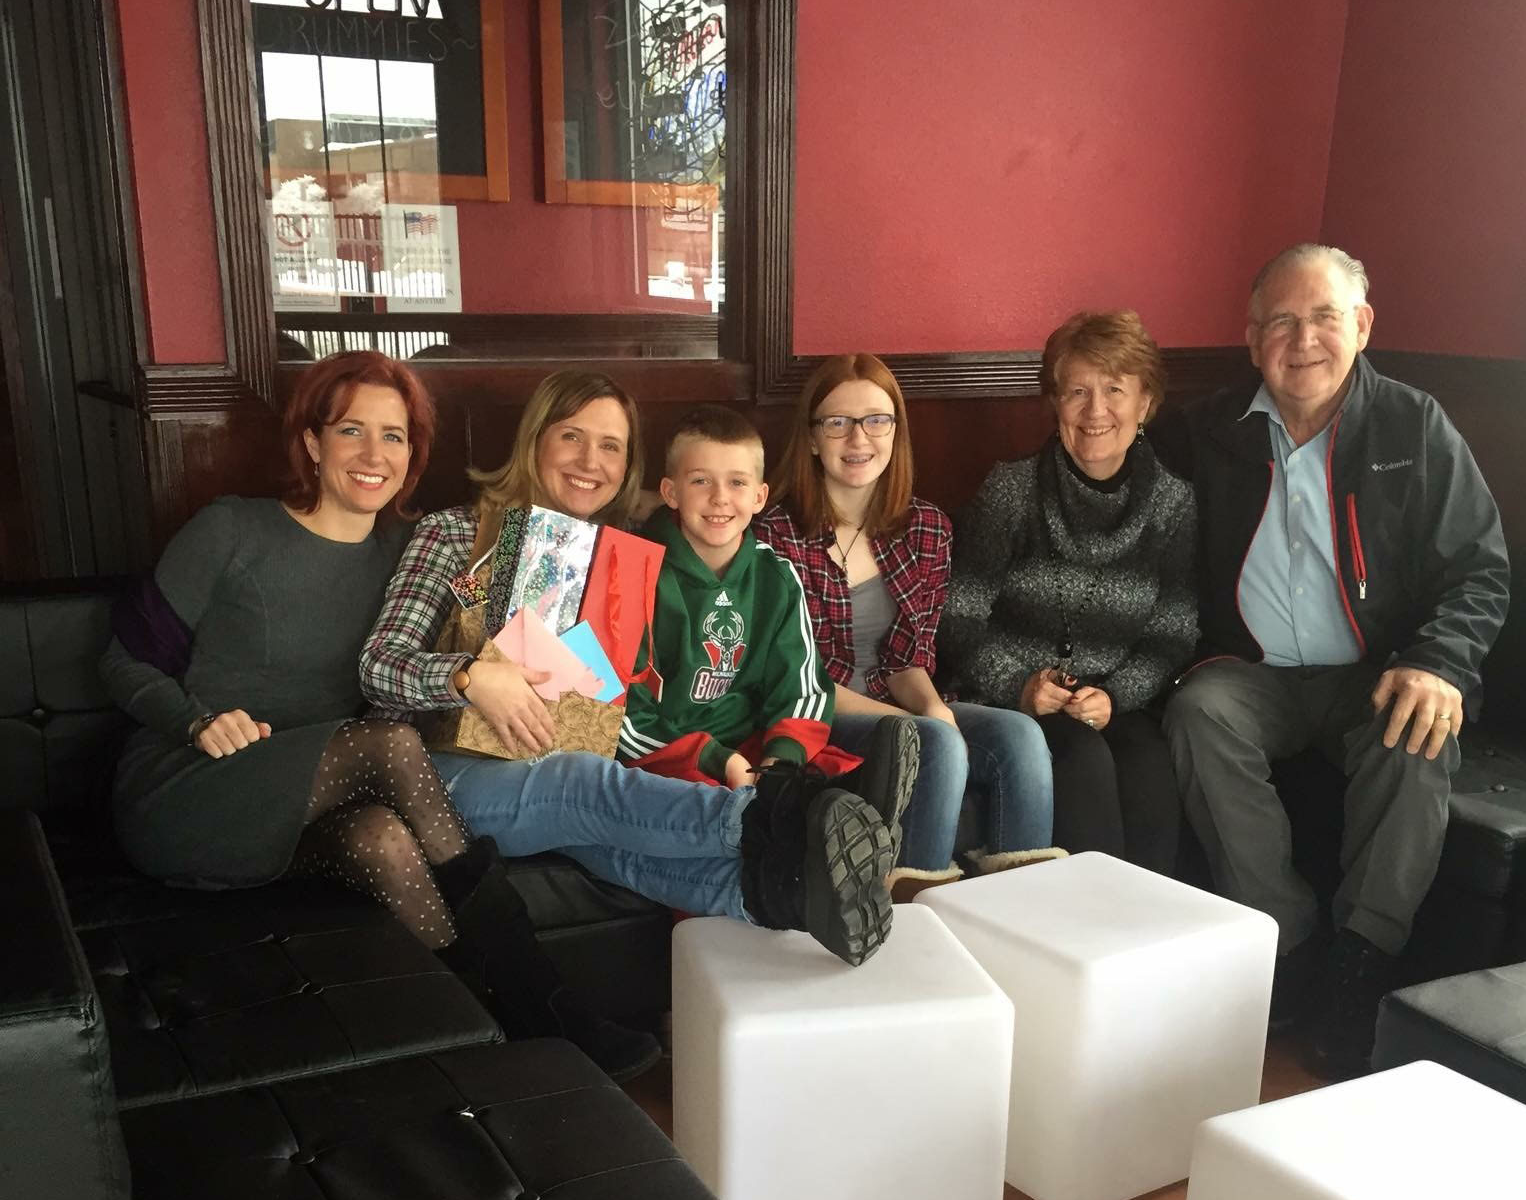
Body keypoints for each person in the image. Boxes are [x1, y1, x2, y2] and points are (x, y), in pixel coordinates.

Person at [100, 350, 659, 1080]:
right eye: (351, 432)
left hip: (313, 802)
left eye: (394, 437)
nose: (374, 454)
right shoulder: (232, 530)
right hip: (194, 784)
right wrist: (195, 721)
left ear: (412, 454)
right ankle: (544, 1000)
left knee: (380, 837)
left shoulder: (407, 547)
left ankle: (491, 1036)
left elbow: (535, 564)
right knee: (391, 746)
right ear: (311, 442)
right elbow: (120, 661)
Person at [358, 370, 902, 967]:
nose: (591, 460)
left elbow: (702, 525)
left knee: (615, 851)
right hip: (446, 770)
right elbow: (379, 666)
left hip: (570, 750)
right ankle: (788, 820)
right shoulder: (457, 534)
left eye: (611, 446)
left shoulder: (623, 553)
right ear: (535, 439)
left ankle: (787, 900)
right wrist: (469, 678)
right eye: (572, 437)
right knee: (578, 784)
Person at [1158, 243, 1509, 1075]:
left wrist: (1440, 663)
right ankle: (1286, 941)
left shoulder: (1413, 426)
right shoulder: (1203, 432)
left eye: (1323, 317)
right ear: (1251, 340)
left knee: (1414, 736)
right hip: (1251, 672)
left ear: (1362, 326)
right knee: (1197, 716)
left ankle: (1359, 961)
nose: (1302, 338)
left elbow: (1479, 568)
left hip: (1380, 671)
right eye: (1281, 320)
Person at [759, 353, 1057, 885]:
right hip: (809, 714)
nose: (859, 439)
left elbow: (906, 658)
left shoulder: (926, 527)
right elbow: (797, 678)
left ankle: (1020, 911)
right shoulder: (773, 535)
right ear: (809, 438)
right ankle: (905, 911)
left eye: (877, 420)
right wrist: (917, 726)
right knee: (932, 740)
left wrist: (935, 710)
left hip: (888, 700)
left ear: (896, 431)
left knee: (1019, 738)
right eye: (837, 422)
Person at [937, 312, 1197, 875]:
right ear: (1055, 403)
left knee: (1150, 768)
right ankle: (1084, 938)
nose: (1095, 410)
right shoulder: (1010, 490)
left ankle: (1150, 937)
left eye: (1114, 390)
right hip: (1010, 698)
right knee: (1080, 761)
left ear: (1145, 403)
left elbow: (1172, 632)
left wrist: (1116, 697)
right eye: (1077, 391)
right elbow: (958, 618)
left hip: (1111, 704)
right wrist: (1019, 686)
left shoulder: (1172, 505)